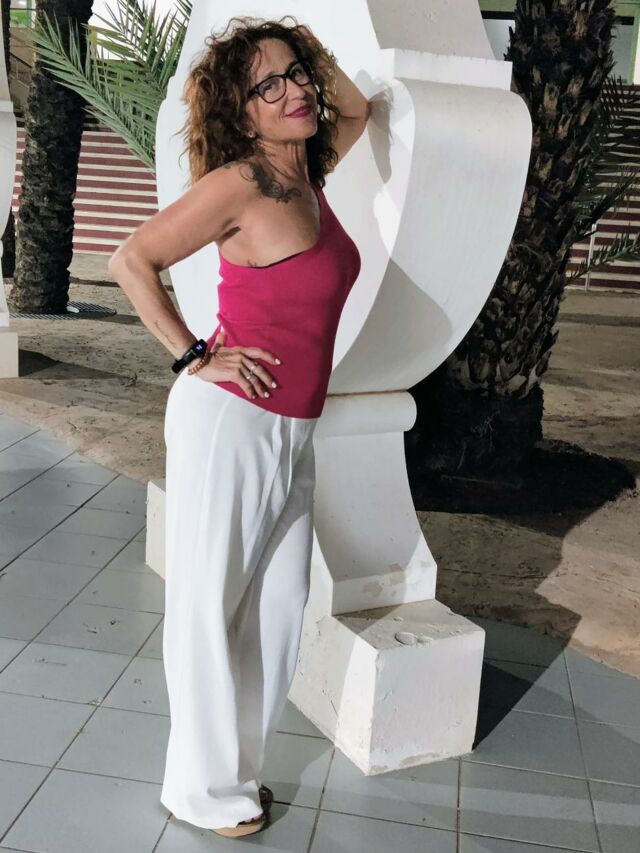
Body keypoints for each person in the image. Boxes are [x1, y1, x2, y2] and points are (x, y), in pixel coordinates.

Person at [108, 15, 370, 838]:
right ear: (241, 109)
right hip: (232, 421)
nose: (296, 91)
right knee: (207, 606)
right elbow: (131, 259)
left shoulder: (306, 172)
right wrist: (193, 355)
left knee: (276, 609)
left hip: (292, 429)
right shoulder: (242, 183)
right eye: (270, 85)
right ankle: (200, 790)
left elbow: (356, 110)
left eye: (298, 75)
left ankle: (234, 773)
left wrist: (303, 45)